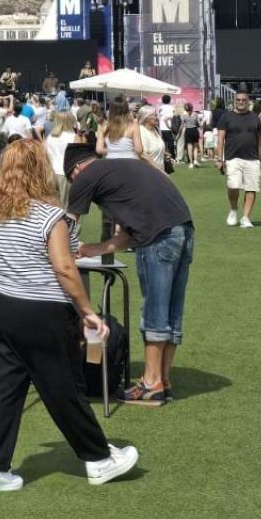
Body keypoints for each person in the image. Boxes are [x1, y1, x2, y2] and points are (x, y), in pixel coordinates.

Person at [0, 140, 137, 493]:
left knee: (2, 387)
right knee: (63, 388)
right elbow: (64, 266)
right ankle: (98, 458)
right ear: (41, 170)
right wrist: (87, 311)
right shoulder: (50, 216)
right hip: (41, 312)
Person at [65, 144, 194, 407]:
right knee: (171, 311)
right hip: (184, 230)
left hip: (158, 237)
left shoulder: (85, 176)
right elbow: (129, 235)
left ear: (76, 169)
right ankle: (163, 380)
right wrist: (97, 249)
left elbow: (68, 224)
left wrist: (60, 253)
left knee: (154, 311)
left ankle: (150, 384)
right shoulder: (122, 171)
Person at [217, 93, 261, 227]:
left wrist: (260, 159)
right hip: (232, 157)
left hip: (252, 158)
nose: (241, 102)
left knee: (251, 188)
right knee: (233, 186)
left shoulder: (255, 118)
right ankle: (233, 209)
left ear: (248, 102)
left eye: (244, 100)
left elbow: (259, 139)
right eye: (238, 100)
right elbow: (220, 139)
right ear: (234, 101)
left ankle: (245, 217)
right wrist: (220, 159)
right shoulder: (226, 117)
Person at [136, 106, 166, 171]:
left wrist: (165, 154)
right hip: (149, 172)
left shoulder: (155, 130)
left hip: (159, 172)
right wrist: (159, 170)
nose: (157, 117)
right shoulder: (141, 131)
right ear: (146, 118)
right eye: (154, 115)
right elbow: (143, 155)